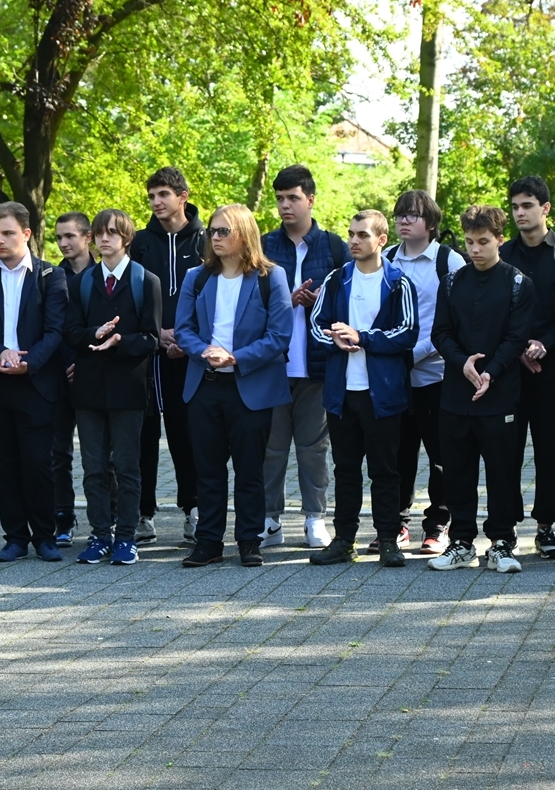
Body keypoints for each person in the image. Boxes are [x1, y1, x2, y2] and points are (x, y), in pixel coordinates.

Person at [176, 204, 292, 568]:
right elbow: (183, 329)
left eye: (223, 231)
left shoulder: (270, 277)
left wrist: (236, 357)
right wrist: (204, 351)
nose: (215, 237)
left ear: (244, 234)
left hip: (250, 386)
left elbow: (279, 335)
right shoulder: (196, 277)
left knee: (250, 469)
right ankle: (209, 541)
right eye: (211, 231)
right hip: (205, 385)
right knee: (208, 470)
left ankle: (249, 541)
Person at [429, 205, 537, 573]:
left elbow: (516, 337)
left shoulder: (519, 283)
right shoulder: (451, 282)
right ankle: (461, 542)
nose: (475, 249)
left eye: (483, 242)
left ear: (500, 240)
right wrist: (462, 362)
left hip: (501, 394)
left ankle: (501, 543)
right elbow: (440, 332)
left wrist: (490, 371)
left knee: (502, 472)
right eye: (470, 242)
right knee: (457, 471)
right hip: (455, 395)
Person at [306, 210, 417, 567]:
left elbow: (408, 332)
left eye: (363, 235)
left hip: (382, 393)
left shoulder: (399, 282)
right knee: (345, 469)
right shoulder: (337, 278)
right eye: (351, 234)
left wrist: (363, 337)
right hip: (342, 393)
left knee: (385, 470)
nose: (354, 241)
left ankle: (389, 540)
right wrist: (335, 340)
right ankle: (344, 540)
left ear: (381, 240)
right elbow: (316, 326)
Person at [0, 201, 69, 562]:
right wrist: (1, 353)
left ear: (26, 233)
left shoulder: (50, 276)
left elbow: (55, 330)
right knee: (3, 464)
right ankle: (15, 538)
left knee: (38, 464)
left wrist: (28, 361)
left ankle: (45, 537)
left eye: (7, 233)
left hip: (35, 383)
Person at [66, 209, 162, 567]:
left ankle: (125, 537)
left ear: (126, 238)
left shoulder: (144, 280)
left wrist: (120, 340)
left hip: (128, 389)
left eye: (112, 232)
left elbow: (152, 338)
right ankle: (99, 534)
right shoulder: (82, 283)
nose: (105, 239)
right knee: (93, 467)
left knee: (127, 466)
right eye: (99, 233)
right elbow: (70, 333)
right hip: (89, 390)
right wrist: (95, 333)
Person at [499, 177, 555, 561]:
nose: (520, 213)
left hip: (553, 368)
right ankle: (506, 527)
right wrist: (519, 348)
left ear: (545, 208)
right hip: (510, 369)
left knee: (550, 450)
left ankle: (546, 525)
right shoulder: (502, 255)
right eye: (515, 207)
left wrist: (544, 343)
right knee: (507, 451)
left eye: (527, 205)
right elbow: (495, 312)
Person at [259, 164, 346, 551]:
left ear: (310, 200)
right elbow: (249, 303)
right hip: (272, 365)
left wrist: (320, 303)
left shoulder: (333, 247)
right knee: (271, 448)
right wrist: (285, 301)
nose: (285, 205)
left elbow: (348, 303)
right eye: (279, 198)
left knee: (314, 449)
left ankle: (315, 518)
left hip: (317, 365)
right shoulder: (263, 246)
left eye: (293, 198)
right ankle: (269, 520)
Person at [131, 167, 205, 546]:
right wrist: (155, 332)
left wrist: (188, 338)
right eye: (151, 196)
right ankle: (142, 514)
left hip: (190, 355)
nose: (156, 202)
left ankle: (193, 510)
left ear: (183, 196)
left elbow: (213, 296)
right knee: (144, 433)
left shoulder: (206, 240)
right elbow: (129, 295)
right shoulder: (140, 243)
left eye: (163, 194)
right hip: (148, 353)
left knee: (186, 432)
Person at [387, 189, 464, 556]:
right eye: (400, 214)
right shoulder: (386, 259)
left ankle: (437, 527)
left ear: (431, 223)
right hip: (395, 378)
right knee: (396, 455)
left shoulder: (449, 261)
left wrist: (416, 353)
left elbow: (456, 321)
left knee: (441, 456)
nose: (404, 220)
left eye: (413, 215)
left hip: (437, 377)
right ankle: (395, 525)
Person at [53, 210, 95, 547]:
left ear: (87, 237)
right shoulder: (51, 278)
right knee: (58, 453)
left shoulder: (105, 274)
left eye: (69, 236)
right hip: (56, 377)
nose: (63, 243)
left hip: (95, 374)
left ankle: (104, 520)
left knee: (101, 457)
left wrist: (84, 363)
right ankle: (63, 517)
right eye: (58, 238)